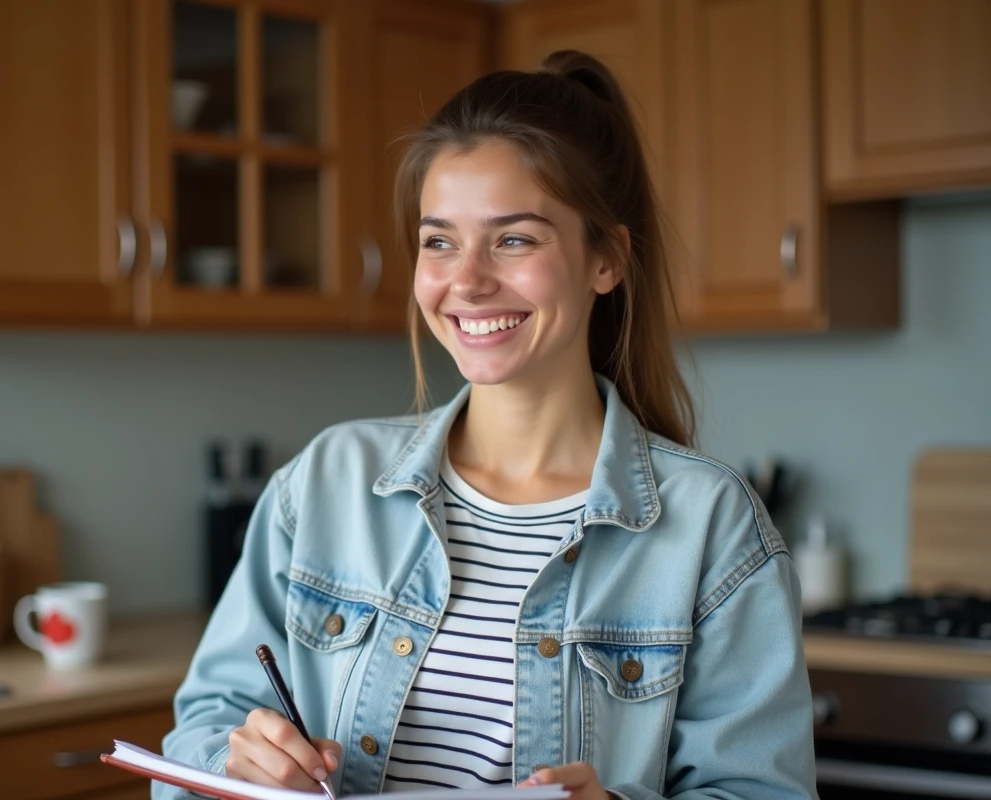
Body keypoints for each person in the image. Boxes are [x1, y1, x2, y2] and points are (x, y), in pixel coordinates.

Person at [158, 50, 816, 800]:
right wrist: (234, 762)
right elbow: (205, 723)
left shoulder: (713, 527)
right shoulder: (324, 482)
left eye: (514, 239)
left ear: (606, 259)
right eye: (440, 241)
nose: (466, 280)